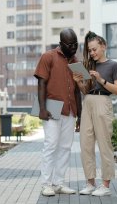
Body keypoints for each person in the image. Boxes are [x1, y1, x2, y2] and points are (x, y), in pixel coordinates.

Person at [72, 31, 117, 197]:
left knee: (104, 144)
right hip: (87, 101)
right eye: (90, 50)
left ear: (103, 46)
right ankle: (90, 183)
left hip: (103, 102)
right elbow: (85, 90)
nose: (92, 53)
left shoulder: (114, 66)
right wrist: (79, 81)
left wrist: (101, 80)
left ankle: (106, 185)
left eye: (94, 49)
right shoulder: (89, 66)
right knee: (85, 143)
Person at [34, 28, 82, 196]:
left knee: (65, 147)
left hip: (70, 109)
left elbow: (79, 90)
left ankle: (59, 183)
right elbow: (41, 83)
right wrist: (41, 108)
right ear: (61, 43)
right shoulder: (48, 56)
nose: (74, 47)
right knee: (51, 145)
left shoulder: (77, 61)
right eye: (70, 44)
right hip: (52, 106)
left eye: (76, 44)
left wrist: (80, 116)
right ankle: (46, 184)